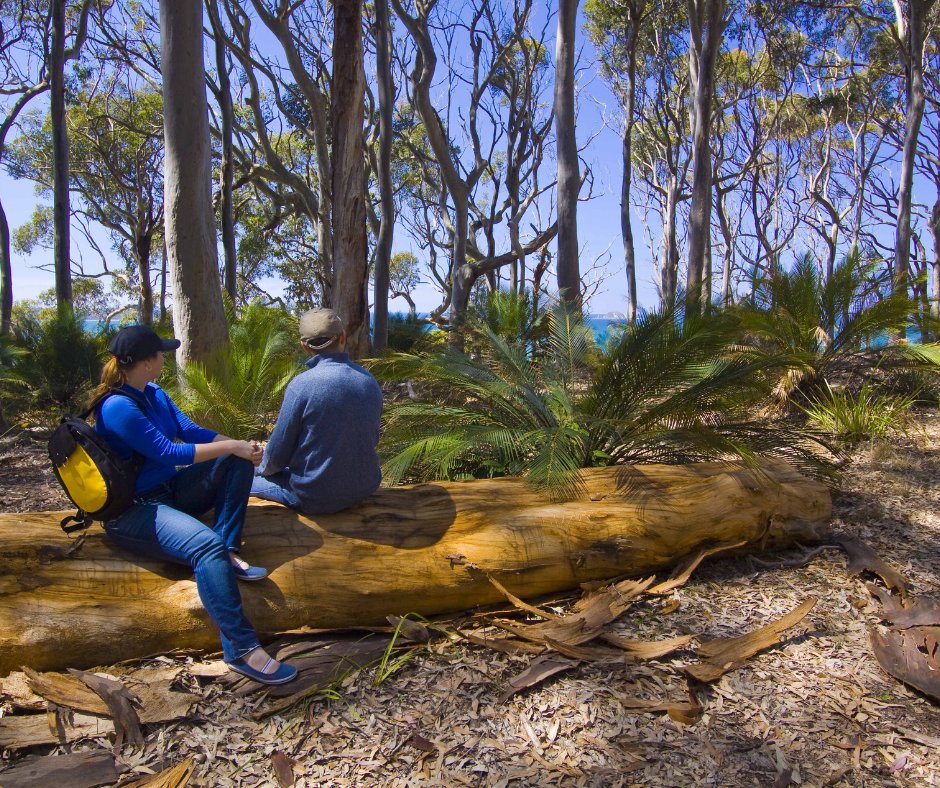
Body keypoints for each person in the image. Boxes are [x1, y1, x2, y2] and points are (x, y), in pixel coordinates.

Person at [93, 325, 297, 686]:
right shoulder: (118, 407)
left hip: (169, 490)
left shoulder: (153, 393)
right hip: (134, 510)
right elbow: (168, 451)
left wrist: (237, 446)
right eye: (160, 353)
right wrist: (230, 446)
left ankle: (230, 550)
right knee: (206, 547)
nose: (164, 357)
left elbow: (190, 432)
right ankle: (242, 649)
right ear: (144, 362)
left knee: (234, 462)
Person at [251, 308, 383, 515]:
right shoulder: (369, 381)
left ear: (304, 346)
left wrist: (258, 468)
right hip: (364, 486)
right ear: (342, 337)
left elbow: (276, 458)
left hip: (314, 497)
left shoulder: (301, 385)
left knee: (247, 479)